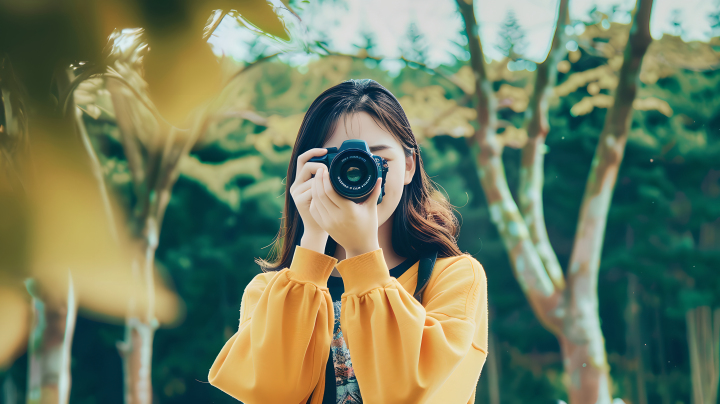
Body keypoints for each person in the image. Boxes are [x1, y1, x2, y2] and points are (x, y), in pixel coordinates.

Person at [208, 79, 488, 404]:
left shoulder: (455, 278)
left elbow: (414, 394)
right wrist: (312, 240)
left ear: (409, 166)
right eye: (337, 163)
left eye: (377, 161)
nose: (357, 175)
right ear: (307, 170)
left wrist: (362, 253)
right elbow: (271, 395)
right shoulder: (270, 293)